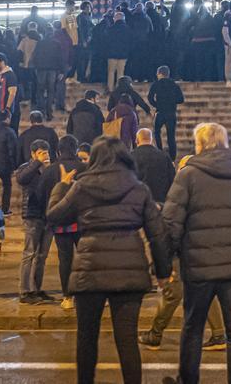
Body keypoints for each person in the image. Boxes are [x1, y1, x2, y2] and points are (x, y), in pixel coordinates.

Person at [46, 136, 169, 384]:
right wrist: (163, 272)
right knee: (126, 339)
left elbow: (54, 216)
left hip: (90, 268)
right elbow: (158, 235)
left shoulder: (82, 186)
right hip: (130, 269)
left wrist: (61, 186)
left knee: (87, 337)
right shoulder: (139, 188)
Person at [162, 122, 231, 384]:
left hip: (198, 264)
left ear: (200, 144)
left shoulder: (188, 174)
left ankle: (188, 379)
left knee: (193, 327)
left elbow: (171, 223)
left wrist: (166, 261)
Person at [139, 154, 227, 354]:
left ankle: (155, 334)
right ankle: (219, 334)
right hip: (202, 250)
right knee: (204, 291)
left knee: (172, 293)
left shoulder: (184, 189)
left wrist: (164, 257)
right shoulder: (207, 190)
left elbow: (173, 226)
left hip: (183, 251)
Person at [40, 134, 87, 310]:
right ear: (76, 149)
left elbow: (41, 193)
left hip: (60, 222)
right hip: (82, 221)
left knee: (65, 259)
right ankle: (87, 292)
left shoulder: (50, 170)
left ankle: (68, 296)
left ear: (58, 150)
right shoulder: (85, 168)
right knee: (86, 258)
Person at [15, 139, 55, 305]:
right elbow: (22, 179)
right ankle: (25, 291)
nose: (45, 156)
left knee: (42, 256)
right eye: (41, 153)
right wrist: (38, 163)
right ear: (33, 154)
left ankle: (36, 289)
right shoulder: (26, 168)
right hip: (32, 215)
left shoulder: (50, 169)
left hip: (48, 216)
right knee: (29, 254)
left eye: (46, 153)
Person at [147, 66, 185, 159]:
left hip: (160, 112)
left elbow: (150, 97)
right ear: (168, 74)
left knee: (156, 132)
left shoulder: (156, 84)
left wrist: (157, 104)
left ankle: (159, 151)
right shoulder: (174, 84)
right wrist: (172, 102)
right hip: (171, 113)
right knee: (171, 136)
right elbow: (181, 99)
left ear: (159, 73)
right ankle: (172, 157)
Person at [133, 128, 176, 204]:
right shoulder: (164, 157)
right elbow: (172, 180)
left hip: (137, 202)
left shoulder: (130, 157)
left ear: (137, 140)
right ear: (151, 140)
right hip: (160, 202)